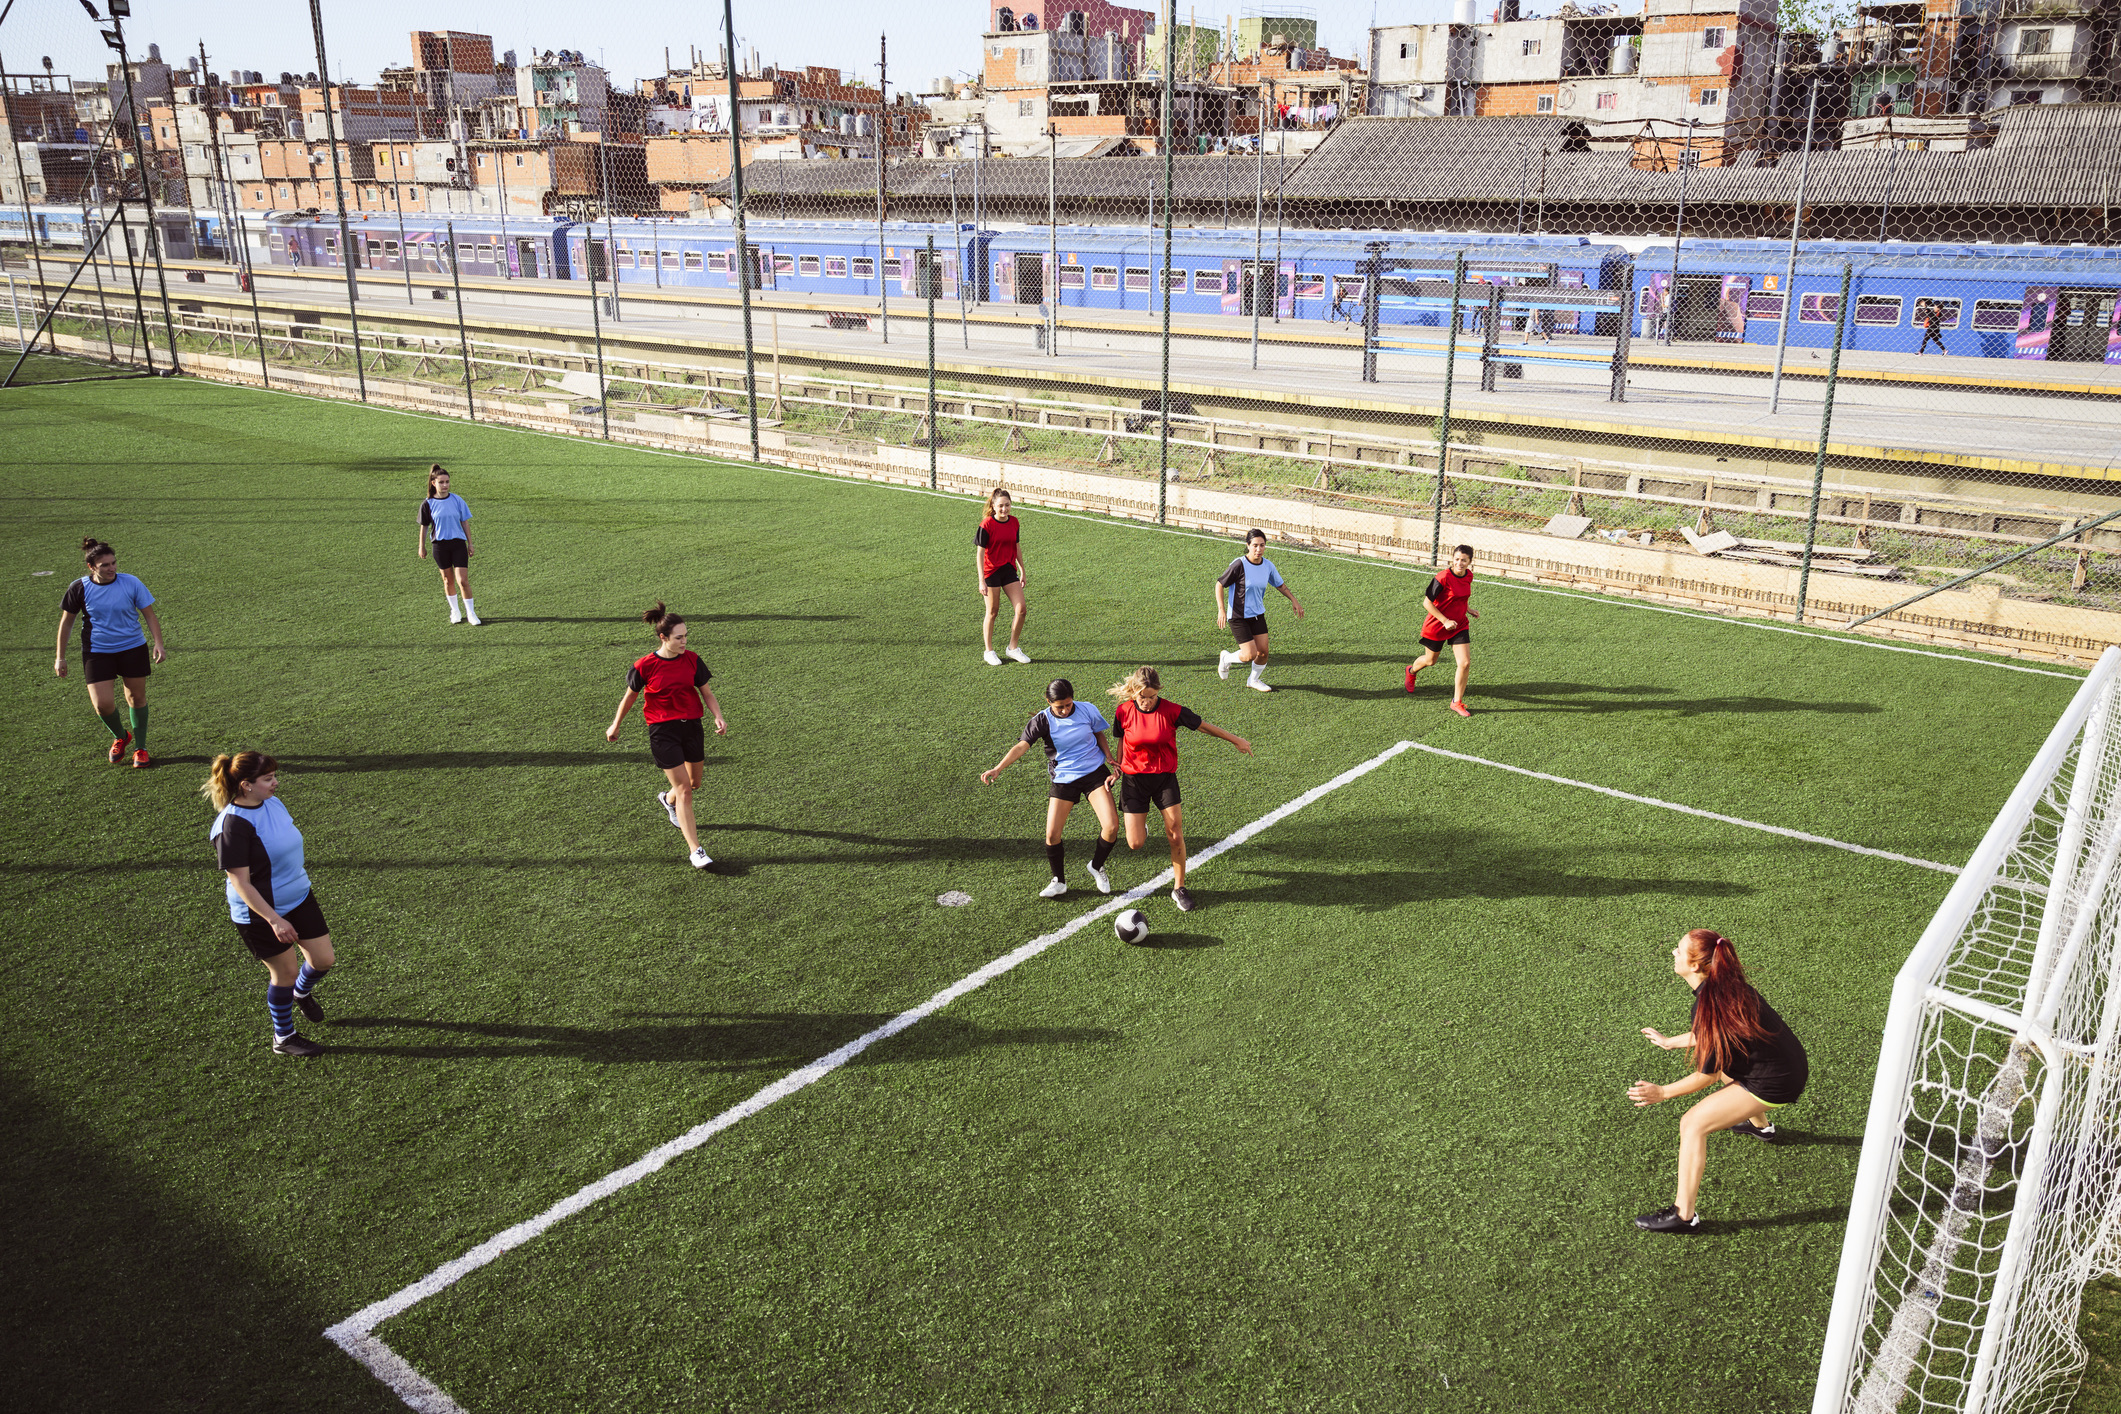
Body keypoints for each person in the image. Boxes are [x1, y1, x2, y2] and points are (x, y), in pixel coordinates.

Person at [1628, 929, 1810, 1233]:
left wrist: (1662, 1092)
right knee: (1730, 1068)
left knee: (1692, 1124)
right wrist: (1671, 1042)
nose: (1673, 952)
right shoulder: (1724, 987)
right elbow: (1717, 1035)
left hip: (1775, 1079)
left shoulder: (1710, 1004)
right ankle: (1760, 1127)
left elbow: (1707, 1075)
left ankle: (1683, 1215)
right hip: (1785, 1064)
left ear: (1696, 965)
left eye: (1679, 949)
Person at [203, 751, 336, 1058]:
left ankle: (301, 993)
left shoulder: (271, 802)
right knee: (285, 973)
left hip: (298, 896)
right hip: (260, 913)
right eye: (268, 779)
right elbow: (241, 883)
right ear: (246, 785)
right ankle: (284, 1037)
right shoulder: (232, 826)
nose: (275, 783)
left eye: (274, 776)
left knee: (324, 960)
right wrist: (274, 919)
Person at [1109, 666, 1252, 913]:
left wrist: (1236, 740)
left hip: (1164, 778)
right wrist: (1118, 767)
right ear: (1134, 692)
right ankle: (1140, 825)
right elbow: (1122, 739)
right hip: (1134, 781)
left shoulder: (1172, 711)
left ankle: (1179, 887)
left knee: (1175, 832)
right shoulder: (1123, 711)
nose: (1146, 702)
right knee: (1135, 844)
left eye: (1152, 697)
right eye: (1142, 697)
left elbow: (1205, 726)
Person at [607, 602, 727, 869]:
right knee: (685, 790)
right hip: (663, 731)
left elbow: (706, 692)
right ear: (663, 637)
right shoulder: (645, 665)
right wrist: (615, 725)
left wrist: (718, 715)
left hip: (692, 727)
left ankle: (666, 799)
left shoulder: (693, 659)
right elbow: (629, 698)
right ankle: (696, 850)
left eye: (686, 636)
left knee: (693, 784)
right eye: (679, 637)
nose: (684, 641)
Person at [981, 678, 1121, 899]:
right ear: (1048, 702)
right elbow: (1021, 746)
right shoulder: (1042, 721)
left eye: (1068, 704)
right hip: (1064, 778)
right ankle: (1059, 881)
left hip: (1095, 773)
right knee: (1052, 834)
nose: (1065, 710)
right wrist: (998, 768)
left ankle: (1096, 866)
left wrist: (1110, 758)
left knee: (1111, 827)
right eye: (1059, 707)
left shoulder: (1087, 709)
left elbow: (1098, 733)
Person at [53, 536, 167, 769]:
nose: (111, 568)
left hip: (133, 648)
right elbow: (66, 623)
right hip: (97, 652)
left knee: (136, 698)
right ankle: (121, 736)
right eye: (105, 565)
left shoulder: (131, 582)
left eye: (113, 563)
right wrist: (60, 657)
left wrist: (158, 643)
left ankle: (141, 748)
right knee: (102, 705)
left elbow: (150, 614)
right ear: (91, 567)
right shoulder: (79, 588)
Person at [1215, 528, 1305, 693]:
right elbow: (1220, 584)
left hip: (1257, 615)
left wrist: (1294, 601)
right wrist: (1221, 610)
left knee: (1263, 652)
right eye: (1255, 545)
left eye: (1262, 545)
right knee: (1249, 654)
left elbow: (1280, 585)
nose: (1258, 549)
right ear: (1248, 545)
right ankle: (1226, 658)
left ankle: (1253, 680)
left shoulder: (1267, 565)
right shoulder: (1239, 565)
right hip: (1238, 616)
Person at [1405, 544, 1479, 717]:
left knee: (1465, 663)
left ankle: (1456, 702)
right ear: (1452, 559)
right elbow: (1427, 603)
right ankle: (1411, 671)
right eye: (1457, 559)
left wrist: (1468, 609)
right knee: (1430, 661)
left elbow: (1461, 596)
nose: (1460, 563)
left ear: (1469, 562)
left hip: (1459, 624)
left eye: (1464, 560)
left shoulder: (1468, 576)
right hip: (1437, 626)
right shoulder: (1442, 577)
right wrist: (1445, 621)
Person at [975, 487, 1032, 667]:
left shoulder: (1014, 522)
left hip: (1008, 570)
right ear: (994, 505)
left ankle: (1012, 648)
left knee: (1021, 608)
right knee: (992, 611)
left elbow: (1017, 547)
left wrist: (1022, 569)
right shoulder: (986, 525)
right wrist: (981, 580)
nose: (1004, 509)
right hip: (990, 572)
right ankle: (989, 651)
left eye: (1007, 505)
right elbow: (979, 554)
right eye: (1000, 506)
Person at [417, 464, 479, 624]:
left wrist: (470, 544)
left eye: (447, 482)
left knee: (462, 580)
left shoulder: (457, 500)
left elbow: (464, 522)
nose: (445, 485)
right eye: (441, 482)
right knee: (447, 580)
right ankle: (455, 611)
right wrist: (421, 546)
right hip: (440, 546)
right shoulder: (428, 504)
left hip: (458, 544)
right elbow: (424, 526)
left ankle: (471, 613)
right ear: (433, 483)